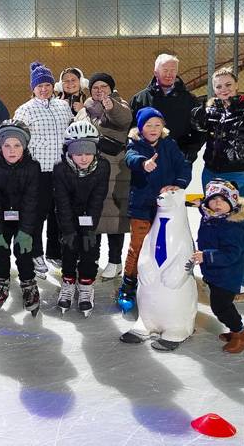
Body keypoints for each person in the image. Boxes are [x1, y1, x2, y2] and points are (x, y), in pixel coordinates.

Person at [191, 67, 244, 296]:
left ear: (236, 86)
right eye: (218, 86)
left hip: (238, 173)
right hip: (212, 172)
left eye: (228, 85)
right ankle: (213, 274)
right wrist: (198, 110)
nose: (223, 89)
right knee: (211, 223)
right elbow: (197, 127)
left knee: (235, 228)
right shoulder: (211, 108)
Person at [118, 107, 192, 310]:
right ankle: (128, 285)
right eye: (149, 125)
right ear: (141, 128)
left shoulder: (169, 144)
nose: (153, 129)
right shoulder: (135, 144)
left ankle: (161, 281)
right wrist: (144, 164)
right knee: (138, 247)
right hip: (142, 205)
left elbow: (183, 165)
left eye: (157, 125)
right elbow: (130, 158)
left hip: (166, 207)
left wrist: (178, 183)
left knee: (168, 244)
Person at [13, 61, 73, 272]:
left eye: (47, 84)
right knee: (37, 214)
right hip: (39, 171)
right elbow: (19, 140)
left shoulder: (63, 106)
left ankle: (54, 252)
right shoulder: (25, 110)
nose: (44, 89)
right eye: (40, 85)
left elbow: (70, 133)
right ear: (33, 88)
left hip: (62, 170)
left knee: (60, 213)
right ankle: (35, 253)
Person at [75, 72, 132, 281]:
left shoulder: (119, 104)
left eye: (104, 87)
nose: (100, 91)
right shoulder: (87, 108)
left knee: (114, 216)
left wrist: (112, 106)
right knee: (94, 214)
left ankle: (115, 261)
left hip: (115, 168)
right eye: (96, 87)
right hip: (91, 169)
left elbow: (124, 118)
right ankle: (92, 258)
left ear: (111, 88)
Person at [0, 120, 42, 315]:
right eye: (7, 145)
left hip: (25, 218)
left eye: (17, 145)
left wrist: (26, 231)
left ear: (24, 147)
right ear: (0, 146)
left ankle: (28, 284)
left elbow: (32, 201)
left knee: (24, 251)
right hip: (0, 218)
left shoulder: (32, 167)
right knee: (0, 250)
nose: (11, 150)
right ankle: (1, 284)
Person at [53, 121, 110, 317]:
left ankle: (86, 285)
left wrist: (89, 229)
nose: (83, 157)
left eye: (88, 152)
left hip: (90, 215)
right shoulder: (60, 169)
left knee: (90, 249)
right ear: (69, 152)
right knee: (68, 248)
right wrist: (68, 230)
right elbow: (62, 202)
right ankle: (68, 282)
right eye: (78, 153)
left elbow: (97, 199)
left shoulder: (103, 167)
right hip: (68, 214)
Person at [193, 179, 244, 353]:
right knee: (223, 305)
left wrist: (207, 256)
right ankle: (235, 330)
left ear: (233, 203)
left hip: (227, 276)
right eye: (213, 200)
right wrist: (200, 205)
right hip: (216, 273)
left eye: (223, 200)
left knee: (221, 307)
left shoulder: (232, 227)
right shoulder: (213, 217)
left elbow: (232, 254)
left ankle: (241, 335)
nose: (217, 204)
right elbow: (207, 214)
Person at [130, 54, 203, 163]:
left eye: (173, 70)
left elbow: (198, 131)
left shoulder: (189, 99)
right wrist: (139, 156)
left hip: (178, 160)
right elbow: (133, 130)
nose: (169, 74)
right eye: (165, 70)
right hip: (147, 160)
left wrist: (189, 154)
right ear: (155, 72)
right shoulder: (140, 99)